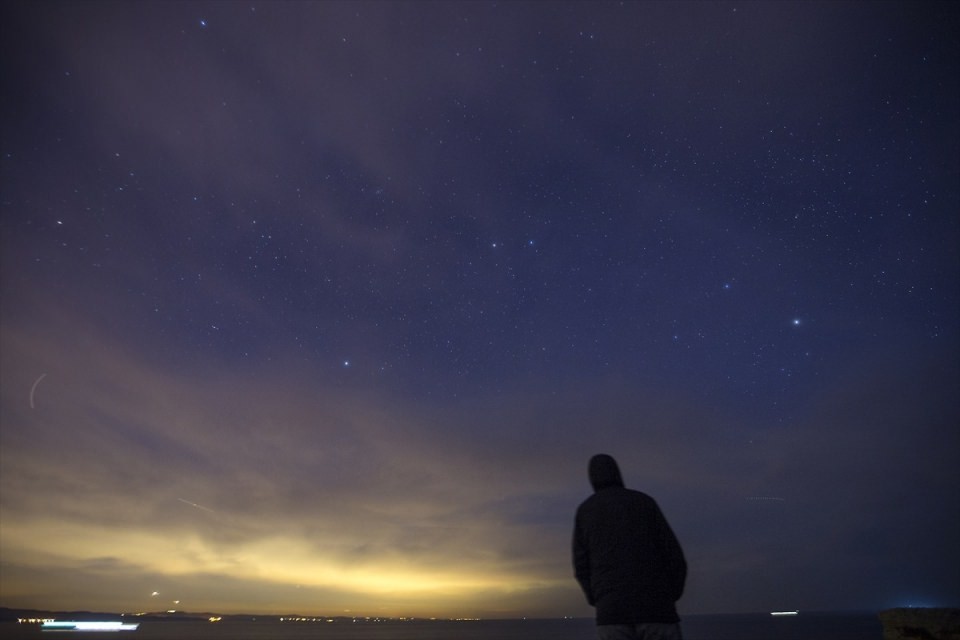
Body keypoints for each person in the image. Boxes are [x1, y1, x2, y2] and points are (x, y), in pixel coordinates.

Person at [573, 453, 687, 640]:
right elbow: (674, 556)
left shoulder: (585, 511)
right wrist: (667, 596)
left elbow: (581, 567)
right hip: (657, 611)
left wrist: (600, 599)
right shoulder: (645, 502)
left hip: (612, 615)